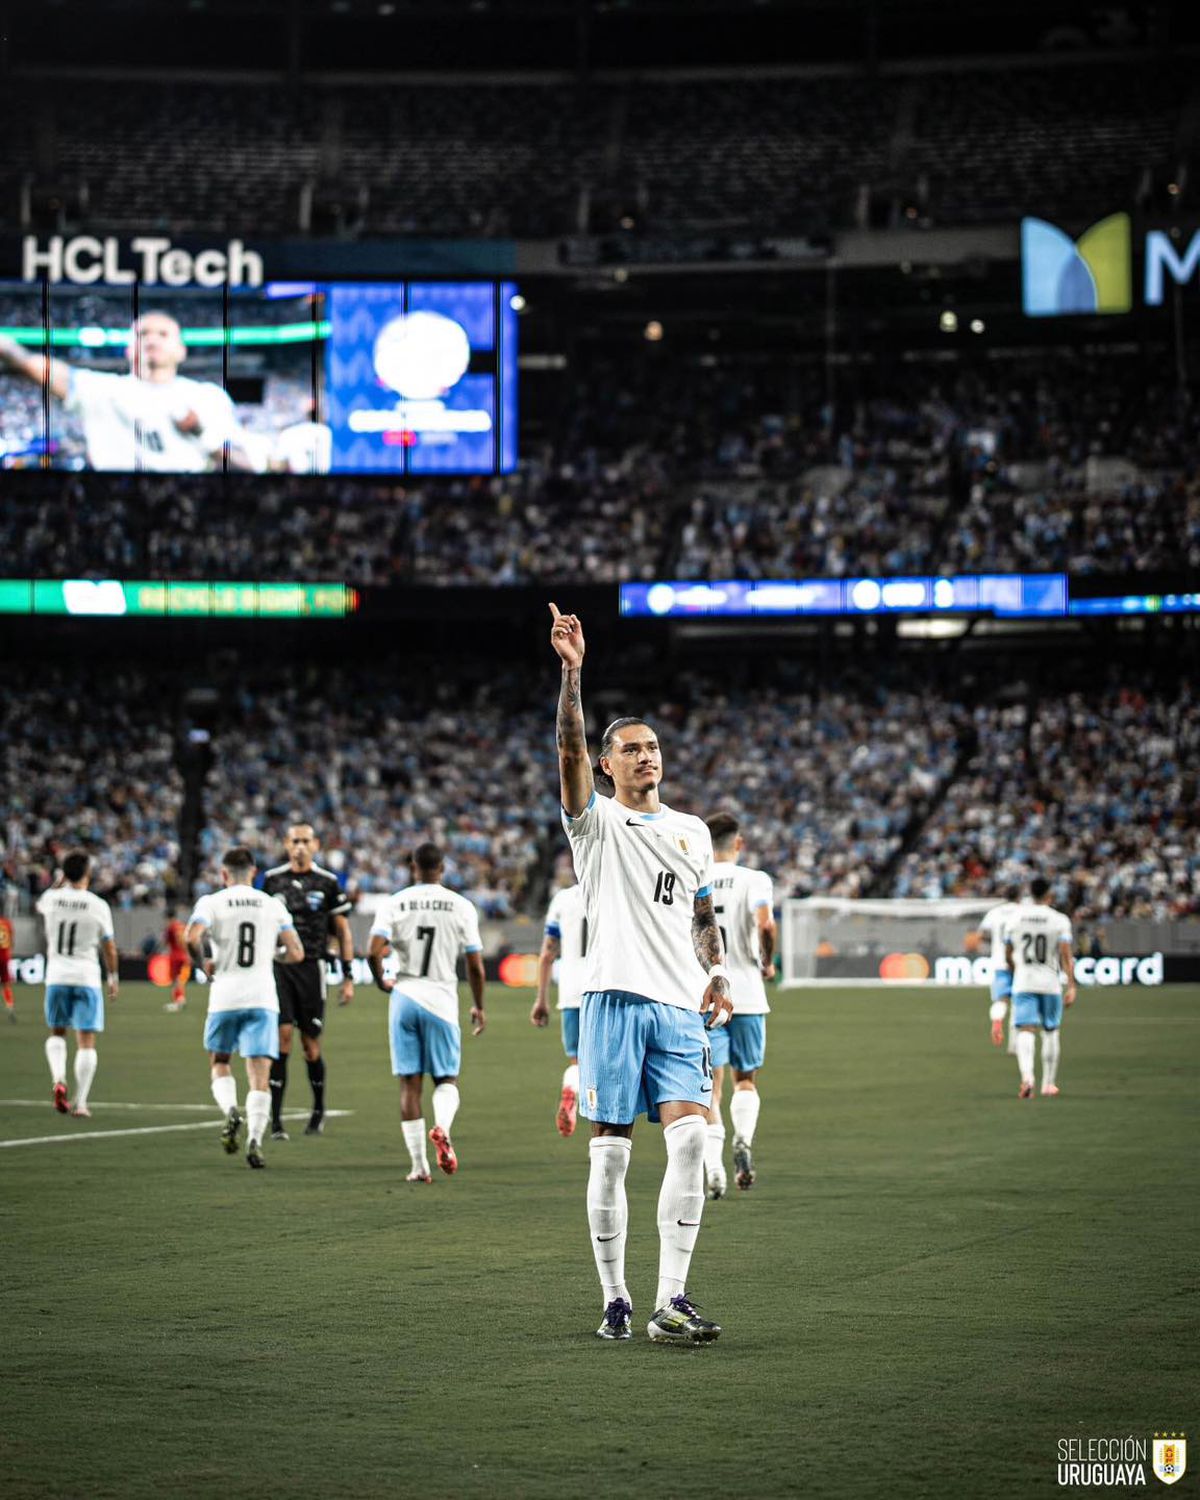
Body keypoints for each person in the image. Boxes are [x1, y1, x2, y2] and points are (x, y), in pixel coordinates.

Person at [549, 602, 732, 1346]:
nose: (646, 757)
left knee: (690, 1143)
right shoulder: (592, 822)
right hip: (614, 1000)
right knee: (612, 1151)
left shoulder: (691, 832)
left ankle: (671, 1299)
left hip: (680, 1008)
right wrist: (572, 675)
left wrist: (716, 972)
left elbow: (701, 912)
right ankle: (616, 1296)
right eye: (631, 750)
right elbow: (565, 747)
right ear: (606, 763)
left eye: (652, 748)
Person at [367, 843, 486, 1182]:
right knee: (446, 1079)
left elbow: (372, 951)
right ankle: (443, 1128)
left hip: (404, 995)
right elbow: (475, 965)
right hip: (441, 999)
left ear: (412, 867)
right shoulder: (460, 906)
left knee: (409, 1085)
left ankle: (418, 1167)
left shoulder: (394, 903)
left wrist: (380, 981)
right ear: (442, 869)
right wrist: (478, 1005)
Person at [0, 312, 245, 471]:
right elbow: (33, 365)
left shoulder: (208, 397)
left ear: (182, 350)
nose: (152, 340)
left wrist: (200, 432)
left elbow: (246, 467)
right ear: (129, 350)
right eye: (142, 334)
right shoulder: (103, 390)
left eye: (163, 334)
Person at [187, 846, 305, 1168]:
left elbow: (191, 937)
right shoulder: (272, 904)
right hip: (262, 997)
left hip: (225, 995)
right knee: (259, 1076)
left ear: (224, 874)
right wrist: (272, 955)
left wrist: (202, 965)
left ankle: (229, 1112)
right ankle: (254, 1139)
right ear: (254, 873)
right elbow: (296, 952)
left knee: (220, 1060)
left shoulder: (211, 902)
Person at [259, 824, 354, 1139]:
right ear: (286, 844)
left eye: (305, 841)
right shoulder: (272, 880)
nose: (300, 846)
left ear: (315, 844)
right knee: (281, 1038)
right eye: (294, 840)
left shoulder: (327, 882)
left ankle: (317, 1111)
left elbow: (342, 930)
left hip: (312, 967)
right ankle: (275, 1121)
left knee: (310, 1046)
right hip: (279, 968)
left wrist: (348, 975)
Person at [702, 813, 776, 1198]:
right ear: (739, 843)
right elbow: (765, 925)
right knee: (744, 1080)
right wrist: (767, 961)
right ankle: (742, 1141)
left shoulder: (693, 877)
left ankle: (713, 1168)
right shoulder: (755, 880)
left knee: (709, 1089)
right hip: (747, 993)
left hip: (707, 995)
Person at [36, 850, 118, 1118]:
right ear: (88, 873)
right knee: (86, 1041)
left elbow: (42, 902)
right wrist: (113, 976)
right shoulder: (97, 905)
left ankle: (58, 1078)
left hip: (57, 976)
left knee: (57, 1032)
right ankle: (81, 1102)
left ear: (63, 874)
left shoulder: (51, 899)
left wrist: (58, 883)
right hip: (86, 978)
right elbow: (109, 946)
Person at [1004, 876, 1076, 1099]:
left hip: (1024, 981)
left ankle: (1027, 1078)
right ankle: (1048, 1084)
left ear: (1030, 893)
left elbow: (1008, 953)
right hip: (1050, 983)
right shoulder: (1059, 920)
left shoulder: (1016, 917)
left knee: (1025, 1029)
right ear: (1049, 894)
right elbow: (1065, 955)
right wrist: (1071, 985)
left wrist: (1017, 970)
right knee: (1051, 1032)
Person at [530, 876, 587, 1136]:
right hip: (607, 989)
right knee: (607, 1070)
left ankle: (571, 1089)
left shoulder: (563, 900)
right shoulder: (612, 891)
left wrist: (541, 999)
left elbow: (547, 954)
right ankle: (602, 1141)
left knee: (577, 1062)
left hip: (572, 991)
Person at [976, 885, 1021, 1051]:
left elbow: (981, 935)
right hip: (1018, 963)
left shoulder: (995, 912)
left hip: (998, 962)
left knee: (1001, 1000)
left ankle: (997, 1021)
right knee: (1018, 1003)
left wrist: (995, 941)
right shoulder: (1023, 911)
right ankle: (1014, 1045)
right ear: (1018, 897)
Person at [162, 907, 190, 1013]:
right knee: (180, 979)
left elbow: (167, 941)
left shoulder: (171, 927)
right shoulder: (181, 925)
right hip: (183, 955)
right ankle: (181, 998)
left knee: (175, 980)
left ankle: (178, 1001)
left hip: (175, 956)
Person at [0, 913, 14, 1020]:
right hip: (5, 956)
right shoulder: (7, 923)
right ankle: (10, 1007)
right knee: (6, 984)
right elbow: (11, 941)